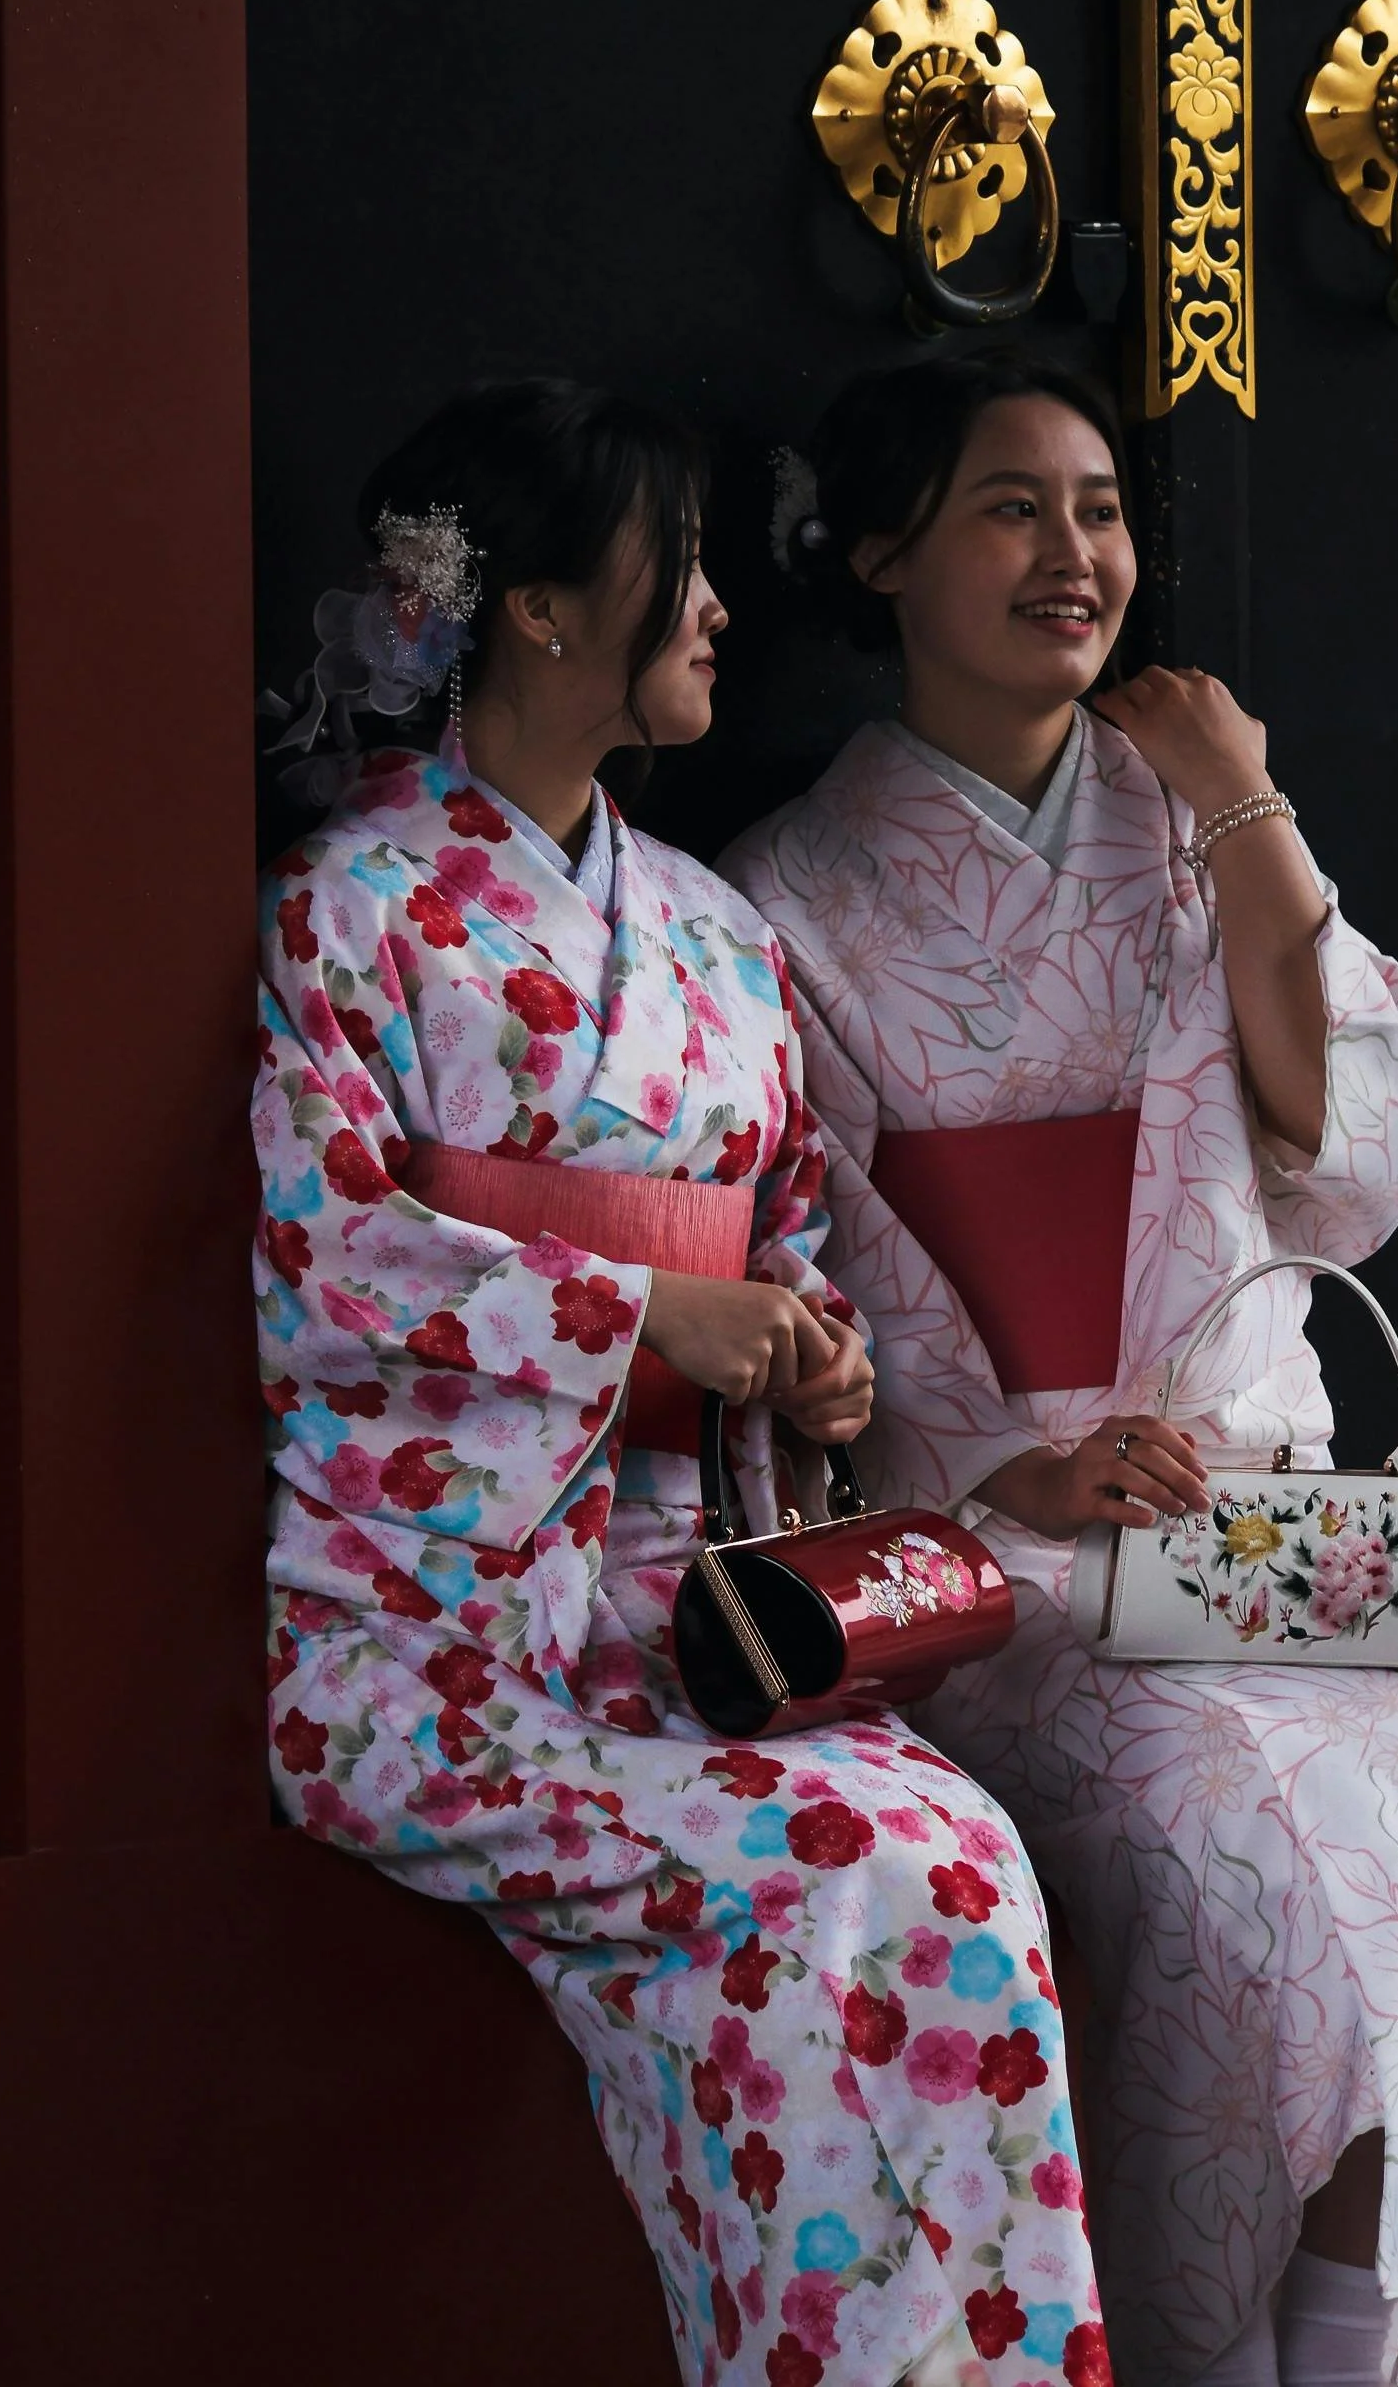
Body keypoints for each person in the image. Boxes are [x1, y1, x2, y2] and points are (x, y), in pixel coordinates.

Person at [253, 379, 1108, 2387]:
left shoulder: (716, 941)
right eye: (680, 564)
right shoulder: (351, 917)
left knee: (959, 1857)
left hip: (682, 1609)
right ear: (539, 611)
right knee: (812, 1880)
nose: (721, 607)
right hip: (438, 1637)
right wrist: (645, 1321)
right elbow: (322, 1254)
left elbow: (780, 1237)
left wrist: (800, 1355)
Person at [724, 355, 1398, 2387]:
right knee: (1224, 1845)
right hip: (1012, 1575)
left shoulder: (1185, 836)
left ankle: (1324, 2359)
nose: (1072, 553)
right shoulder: (787, 905)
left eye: (1097, 509)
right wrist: (996, 1491)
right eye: (1010, 507)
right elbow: (781, 1312)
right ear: (884, 549)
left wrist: (1244, 804)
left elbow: (1343, 1160)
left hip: (1260, 1546)